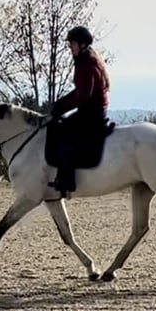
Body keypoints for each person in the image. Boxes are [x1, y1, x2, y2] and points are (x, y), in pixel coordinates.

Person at [49, 25, 111, 197]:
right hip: (93, 110)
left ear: (82, 44)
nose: (70, 47)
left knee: (63, 133)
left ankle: (67, 181)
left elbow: (83, 97)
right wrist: (60, 104)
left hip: (91, 112)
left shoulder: (87, 64)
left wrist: (61, 109)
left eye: (72, 44)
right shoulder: (87, 60)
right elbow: (79, 91)